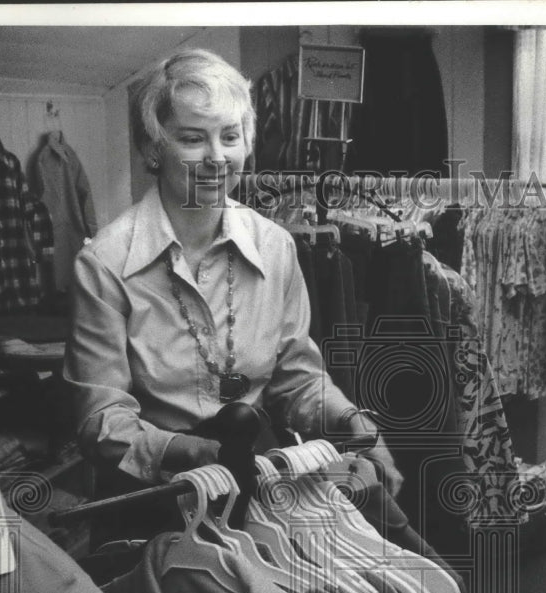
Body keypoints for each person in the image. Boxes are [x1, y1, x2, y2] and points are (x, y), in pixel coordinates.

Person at [63, 49, 402, 510]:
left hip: (261, 478)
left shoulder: (276, 247)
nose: (216, 157)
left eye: (229, 136)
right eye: (192, 138)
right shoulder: (104, 264)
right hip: (158, 494)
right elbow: (101, 421)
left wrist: (348, 418)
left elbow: (295, 379)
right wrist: (193, 454)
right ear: (152, 149)